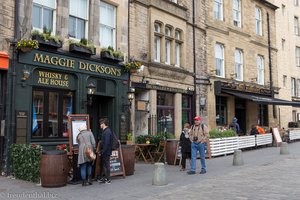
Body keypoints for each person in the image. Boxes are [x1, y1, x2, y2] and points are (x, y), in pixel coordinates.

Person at [97, 118, 113, 184]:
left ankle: (108, 179)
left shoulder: (107, 131)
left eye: (101, 124)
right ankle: (101, 178)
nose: (100, 125)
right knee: (102, 164)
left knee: (107, 165)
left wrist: (102, 151)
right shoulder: (106, 131)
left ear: (103, 124)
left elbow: (106, 143)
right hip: (105, 151)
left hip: (106, 152)